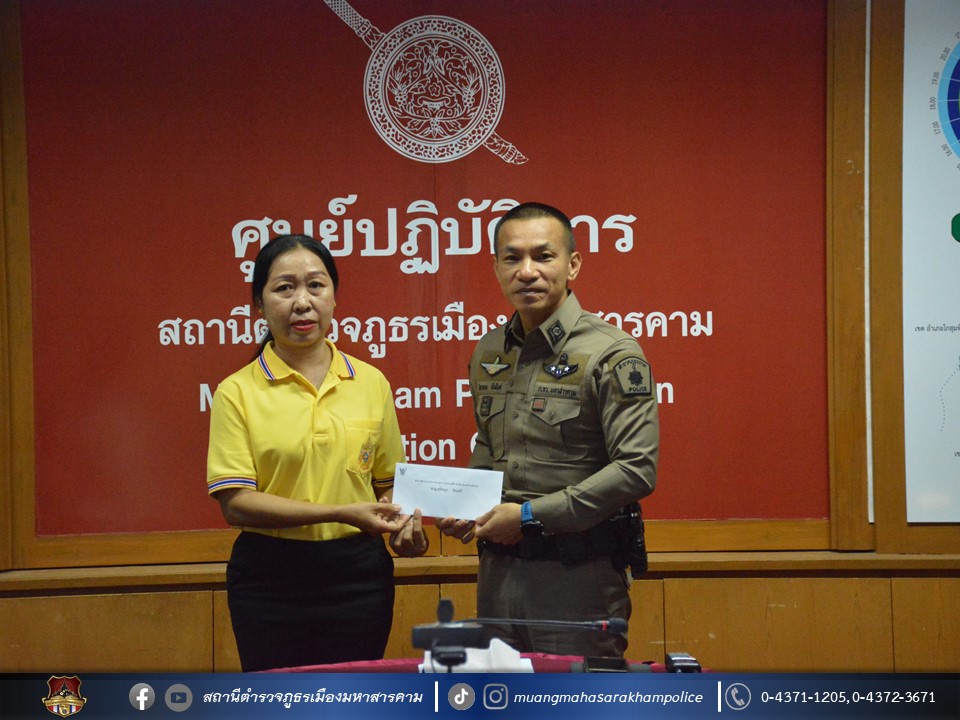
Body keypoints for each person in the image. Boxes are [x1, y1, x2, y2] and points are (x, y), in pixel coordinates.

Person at [438, 202, 659, 658]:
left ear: (572, 264)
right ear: (496, 268)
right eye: (512, 258)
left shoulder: (612, 352)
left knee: (574, 697)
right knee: (501, 696)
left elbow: (636, 469)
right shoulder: (489, 350)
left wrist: (527, 516)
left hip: (577, 578)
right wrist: (466, 505)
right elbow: (489, 446)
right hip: (498, 577)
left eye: (543, 256)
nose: (527, 271)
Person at [206, 234, 427, 672]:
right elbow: (236, 503)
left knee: (354, 699)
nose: (302, 302)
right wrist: (341, 512)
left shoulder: (371, 382)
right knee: (279, 701)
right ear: (259, 303)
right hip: (269, 579)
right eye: (284, 288)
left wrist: (405, 525)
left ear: (334, 297)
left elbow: (390, 488)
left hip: (359, 578)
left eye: (316, 285)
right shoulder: (237, 391)